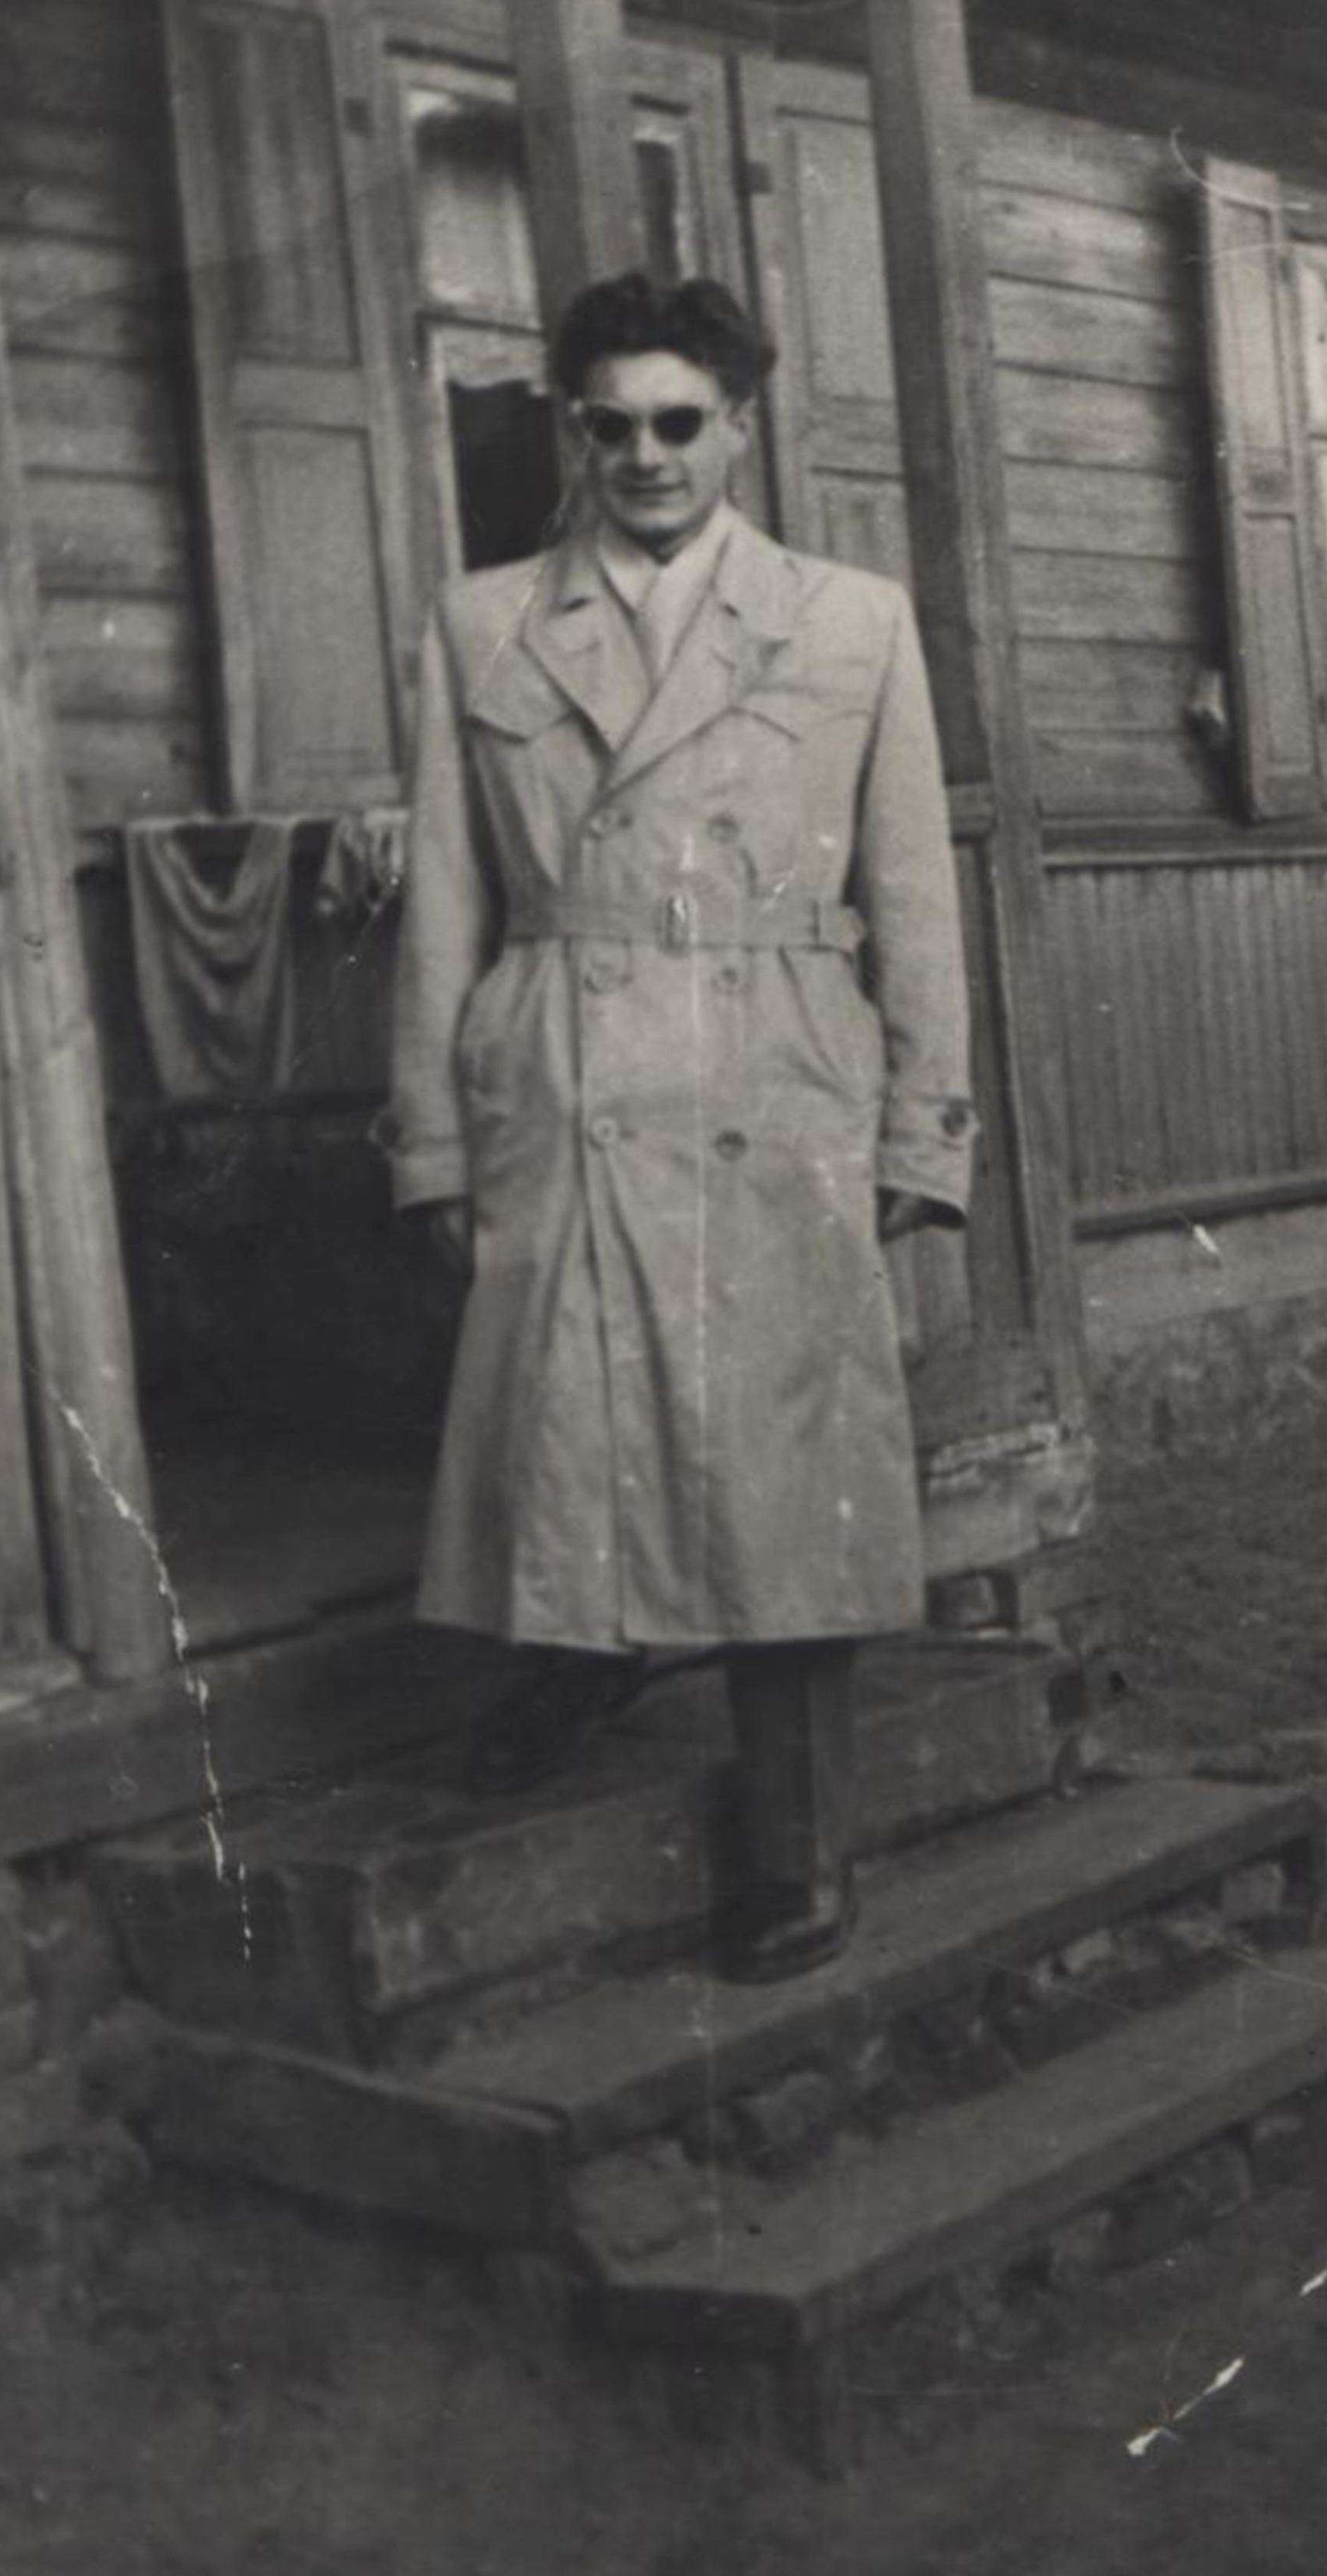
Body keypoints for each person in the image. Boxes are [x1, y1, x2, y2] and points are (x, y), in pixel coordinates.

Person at [384, 271, 974, 1981]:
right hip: (566, 1069)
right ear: (571, 435)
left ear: (740, 428)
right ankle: (583, 1657)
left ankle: (798, 1845)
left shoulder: (846, 620)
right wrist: (433, 1136)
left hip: (771, 1073)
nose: (644, 456)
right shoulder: (485, 624)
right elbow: (442, 898)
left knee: (783, 1469)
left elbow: (912, 893)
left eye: (677, 422)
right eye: (609, 426)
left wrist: (922, 1132)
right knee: (573, 1413)